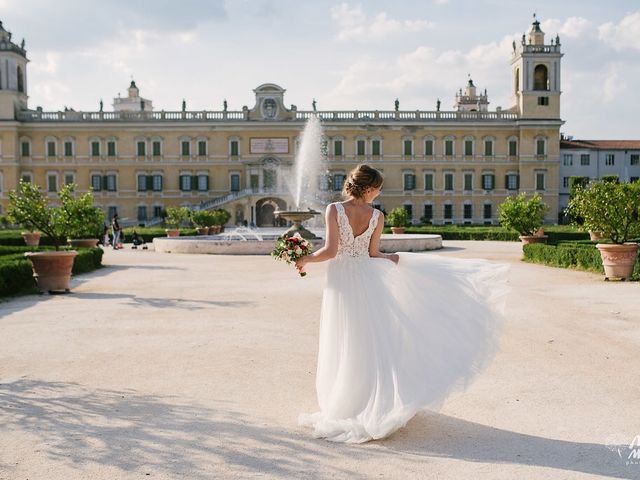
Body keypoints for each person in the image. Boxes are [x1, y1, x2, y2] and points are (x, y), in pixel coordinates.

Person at [295, 164, 509, 443]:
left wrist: (305, 258)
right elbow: (373, 254)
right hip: (368, 282)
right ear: (369, 188)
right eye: (378, 190)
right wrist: (396, 260)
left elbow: (331, 251)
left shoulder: (334, 210)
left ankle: (347, 403)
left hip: (342, 283)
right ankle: (374, 401)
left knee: (344, 339)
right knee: (371, 341)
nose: (378, 194)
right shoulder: (377, 216)